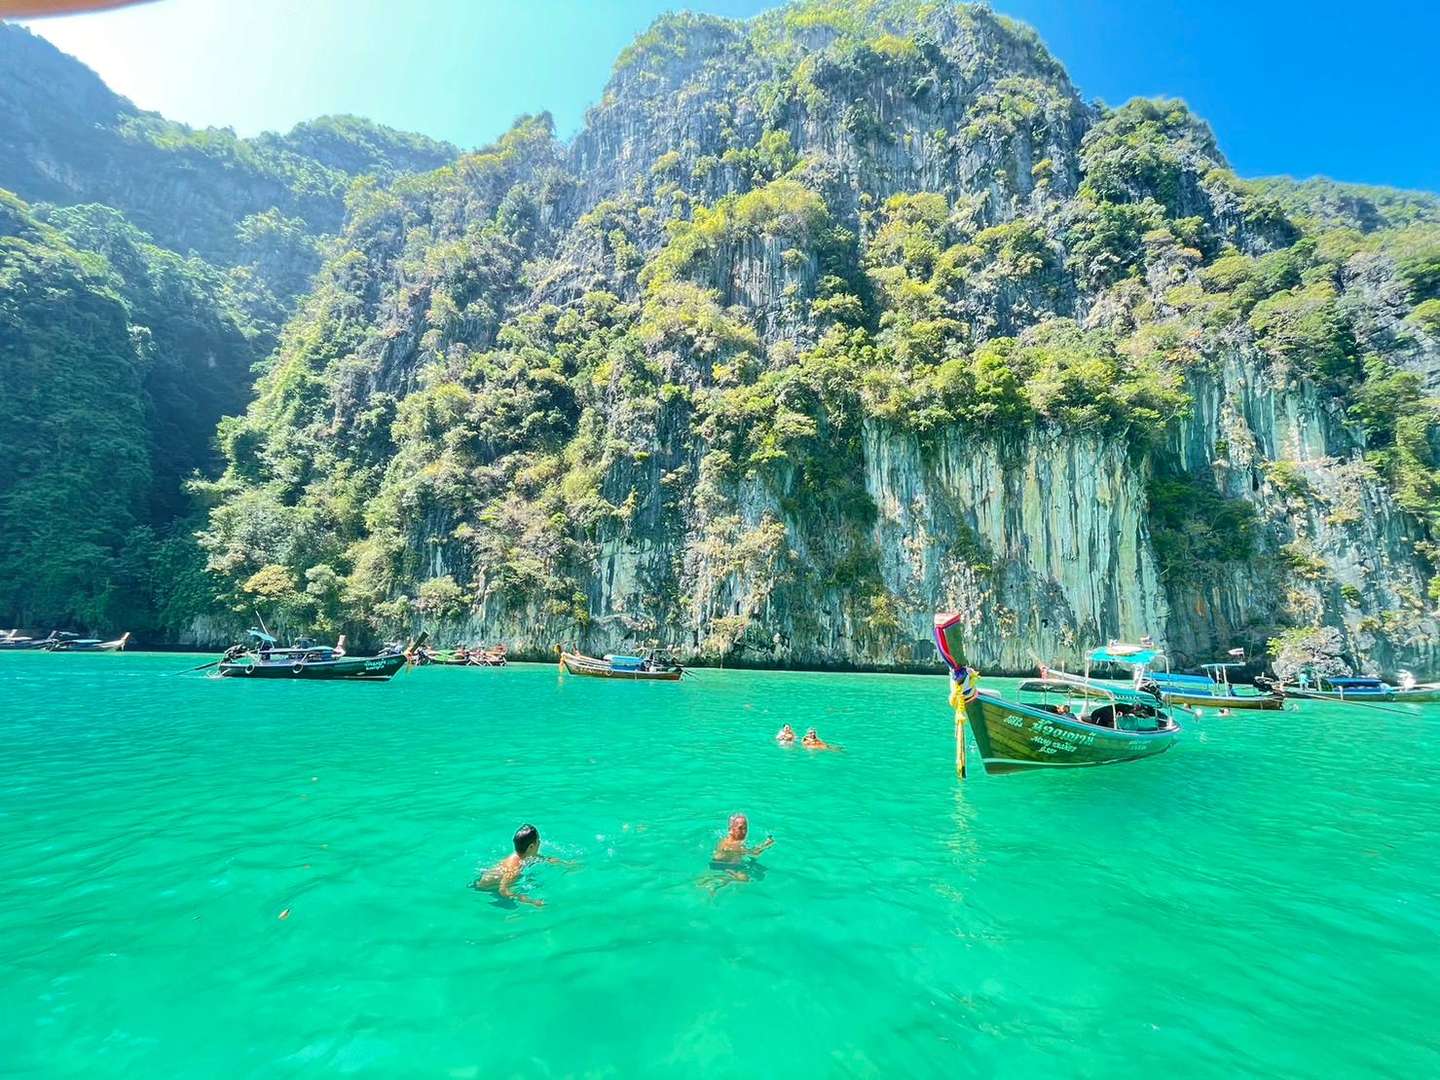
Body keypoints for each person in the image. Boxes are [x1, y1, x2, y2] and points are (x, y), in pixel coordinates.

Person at [473, 823, 564, 907]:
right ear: (531, 847)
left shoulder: (523, 855)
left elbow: (538, 858)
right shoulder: (514, 868)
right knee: (514, 909)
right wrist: (532, 902)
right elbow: (504, 890)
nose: (540, 843)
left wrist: (564, 863)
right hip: (487, 891)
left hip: (493, 884)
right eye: (538, 841)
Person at [710, 813, 773, 881]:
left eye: (745, 828)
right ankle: (719, 879)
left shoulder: (726, 839)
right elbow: (754, 853)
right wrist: (766, 844)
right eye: (740, 828)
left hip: (725, 865)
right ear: (730, 829)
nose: (744, 831)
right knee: (745, 878)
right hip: (723, 867)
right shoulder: (733, 844)